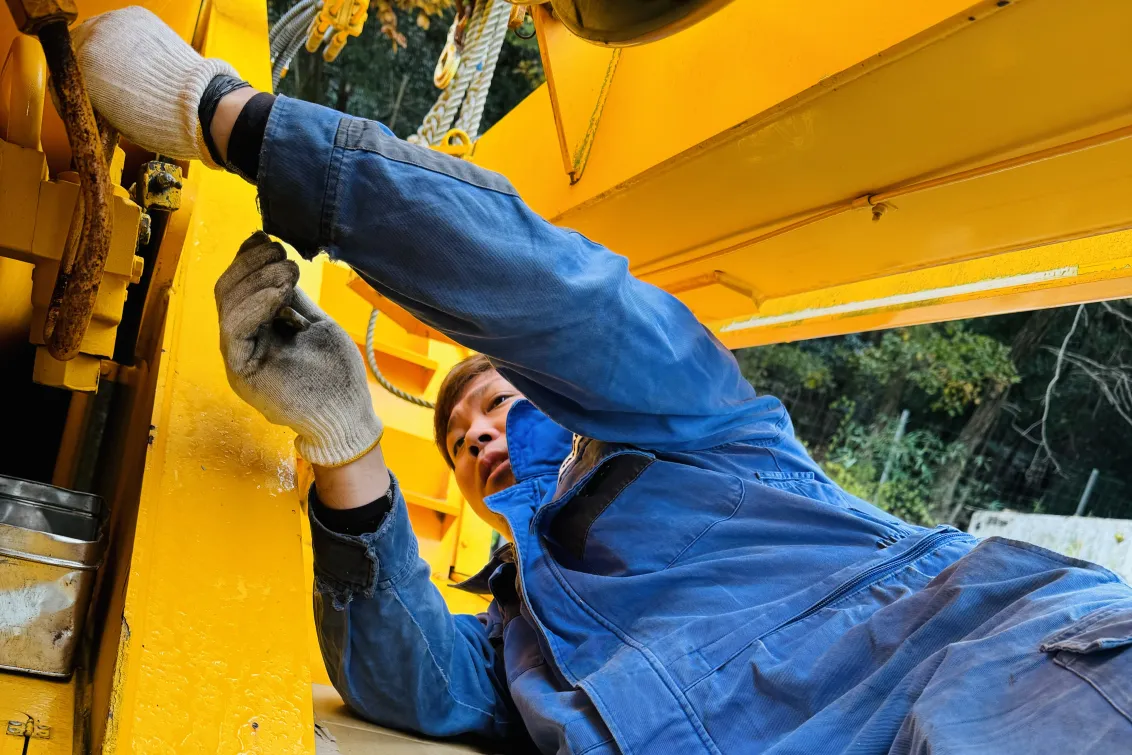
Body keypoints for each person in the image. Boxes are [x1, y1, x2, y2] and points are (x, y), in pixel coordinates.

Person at [75, 8, 1132, 754]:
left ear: (572, 406)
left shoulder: (709, 434)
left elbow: (549, 294)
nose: (479, 442)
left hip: (1004, 675)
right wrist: (342, 436)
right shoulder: (515, 643)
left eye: (496, 404)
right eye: (458, 446)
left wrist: (223, 117)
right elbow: (409, 683)